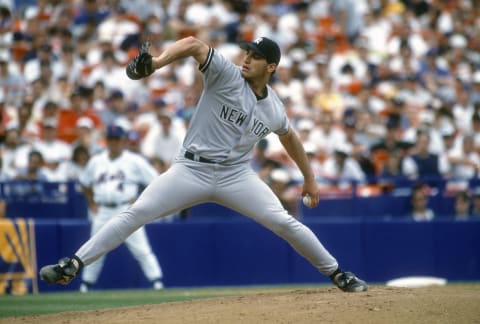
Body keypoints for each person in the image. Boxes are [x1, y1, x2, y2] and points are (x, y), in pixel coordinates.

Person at [39, 36, 367, 292]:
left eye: (255, 56)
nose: (247, 58)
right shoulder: (226, 74)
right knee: (136, 212)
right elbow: (195, 45)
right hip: (190, 169)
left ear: (272, 67)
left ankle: (338, 273)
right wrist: (157, 62)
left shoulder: (274, 108)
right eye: (247, 52)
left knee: (283, 221)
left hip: (235, 175)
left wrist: (309, 177)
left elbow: (289, 136)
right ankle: (74, 264)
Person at [77, 125, 164, 292]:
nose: (114, 142)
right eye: (111, 139)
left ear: (123, 141)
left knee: (142, 249)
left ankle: (157, 282)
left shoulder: (135, 161)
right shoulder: (96, 161)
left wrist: (139, 199)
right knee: (94, 248)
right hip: (103, 210)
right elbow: (85, 183)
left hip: (127, 209)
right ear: (107, 140)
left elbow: (156, 180)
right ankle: (86, 285)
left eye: (117, 139)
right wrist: (92, 204)